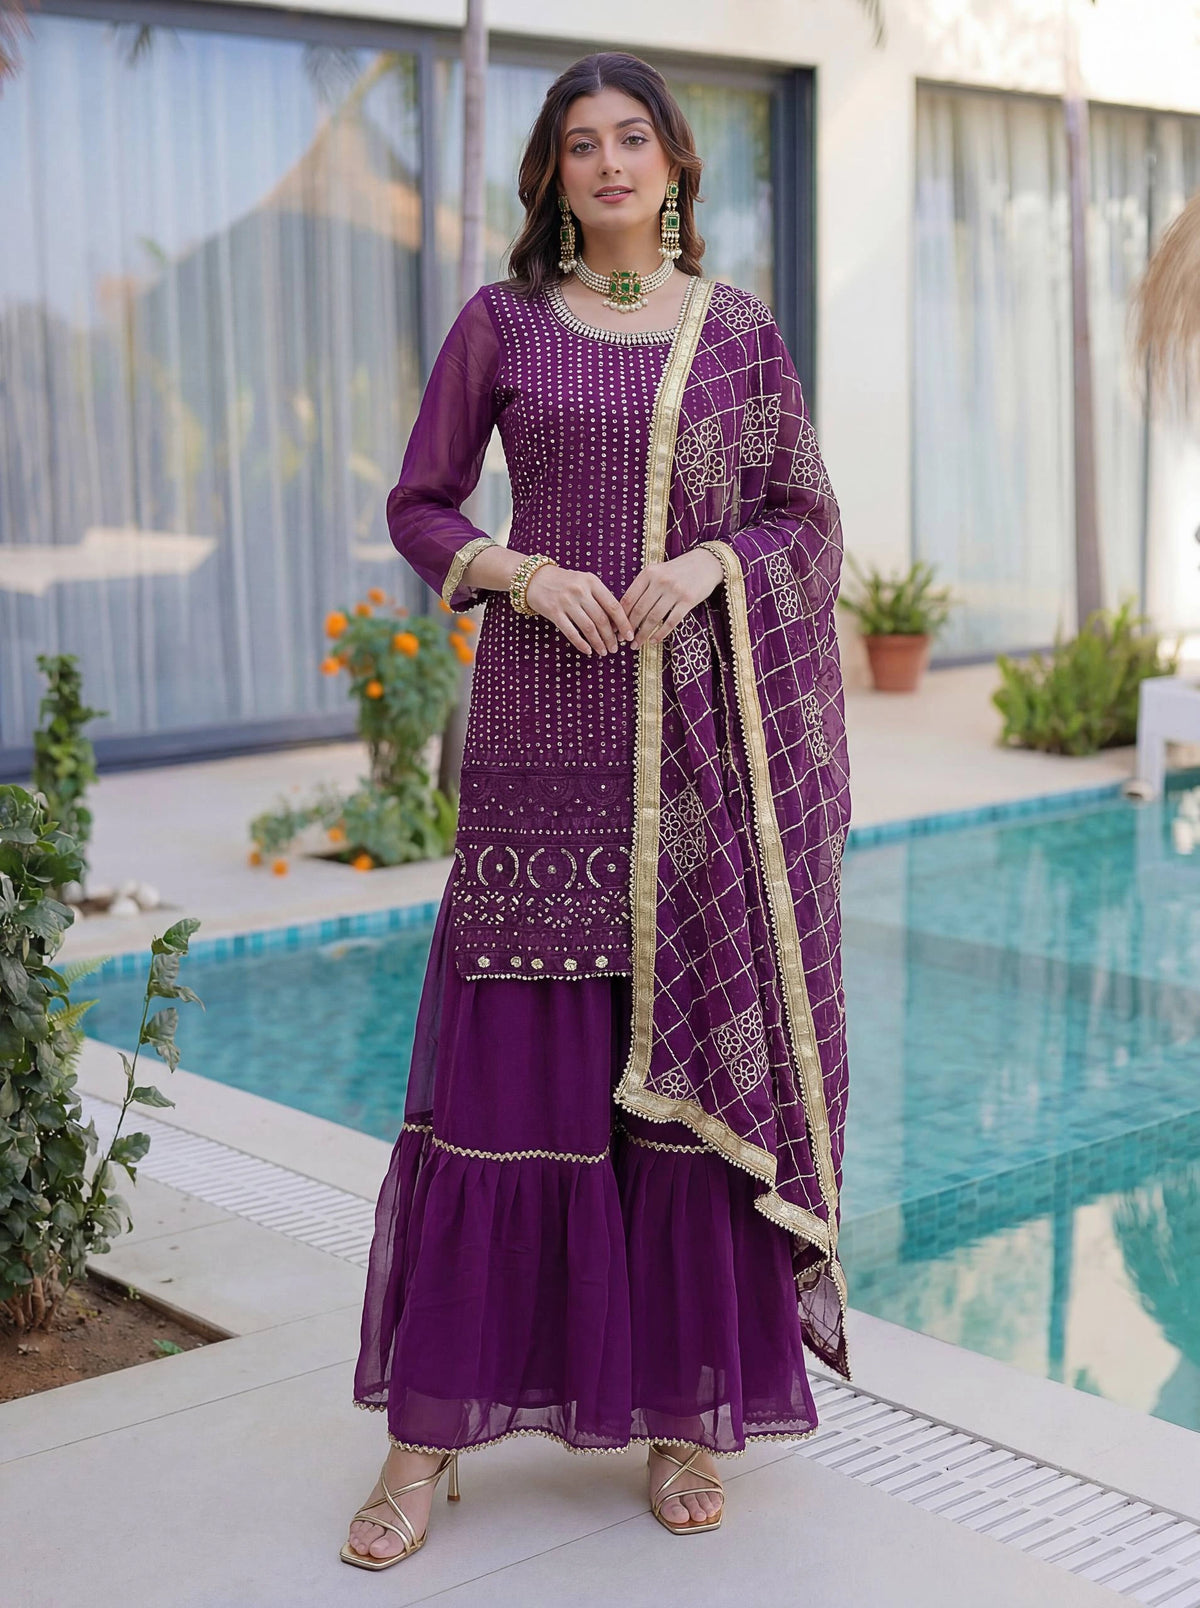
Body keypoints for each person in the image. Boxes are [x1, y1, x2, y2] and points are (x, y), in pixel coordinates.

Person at [342, 49, 852, 1569]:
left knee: (681, 1070)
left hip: (695, 762)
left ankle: (687, 1411)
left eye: (635, 139)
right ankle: (426, 1441)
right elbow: (420, 503)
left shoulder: (738, 333)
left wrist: (712, 564)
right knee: (510, 1082)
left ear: (676, 164)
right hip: (543, 738)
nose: (612, 163)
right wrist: (518, 571)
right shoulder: (500, 323)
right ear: (554, 177)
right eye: (583, 144)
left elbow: (805, 518)